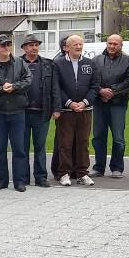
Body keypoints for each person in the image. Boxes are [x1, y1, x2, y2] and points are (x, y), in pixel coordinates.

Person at [0, 35, 32, 191]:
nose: (6, 47)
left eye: (8, 44)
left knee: (19, 148)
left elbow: (28, 80)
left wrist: (14, 86)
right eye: (3, 45)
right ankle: (2, 180)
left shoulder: (20, 62)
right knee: (0, 148)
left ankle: (20, 181)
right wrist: (0, 88)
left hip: (17, 111)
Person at [52, 35, 101, 186]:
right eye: (75, 45)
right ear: (66, 47)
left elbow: (95, 85)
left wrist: (84, 102)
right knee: (65, 143)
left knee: (83, 142)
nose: (78, 47)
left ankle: (82, 173)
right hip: (66, 112)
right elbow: (56, 86)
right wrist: (69, 103)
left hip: (85, 110)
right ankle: (64, 173)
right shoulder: (58, 64)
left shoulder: (90, 63)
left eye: (80, 44)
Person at [19, 35, 60, 188]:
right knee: (22, 147)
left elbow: (54, 87)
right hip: (21, 113)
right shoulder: (17, 63)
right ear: (24, 48)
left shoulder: (48, 65)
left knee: (40, 146)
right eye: (30, 45)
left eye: (36, 45)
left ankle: (41, 177)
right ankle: (23, 178)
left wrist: (56, 108)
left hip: (42, 112)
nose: (34, 48)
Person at [91, 34, 129, 179]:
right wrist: (100, 90)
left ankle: (117, 167)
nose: (112, 46)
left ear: (121, 46)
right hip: (99, 103)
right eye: (110, 43)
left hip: (118, 104)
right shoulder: (96, 60)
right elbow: (91, 79)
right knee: (98, 137)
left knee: (118, 138)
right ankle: (99, 167)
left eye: (115, 44)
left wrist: (113, 91)